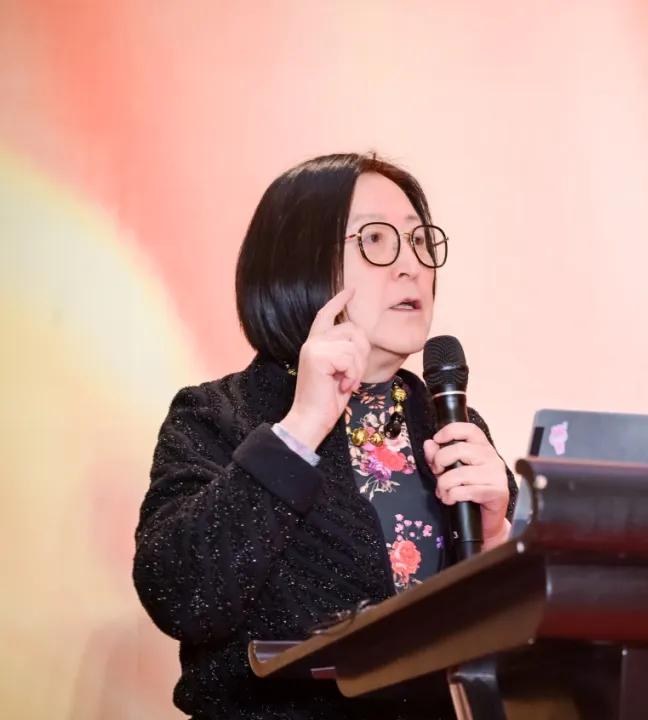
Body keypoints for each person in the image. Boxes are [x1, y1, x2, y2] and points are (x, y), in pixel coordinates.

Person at [132, 152, 517, 719]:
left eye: (419, 241)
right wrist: (302, 427)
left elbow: (507, 644)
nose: (411, 266)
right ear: (299, 263)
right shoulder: (218, 415)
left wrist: (498, 536)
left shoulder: (449, 423)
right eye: (377, 240)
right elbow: (181, 594)